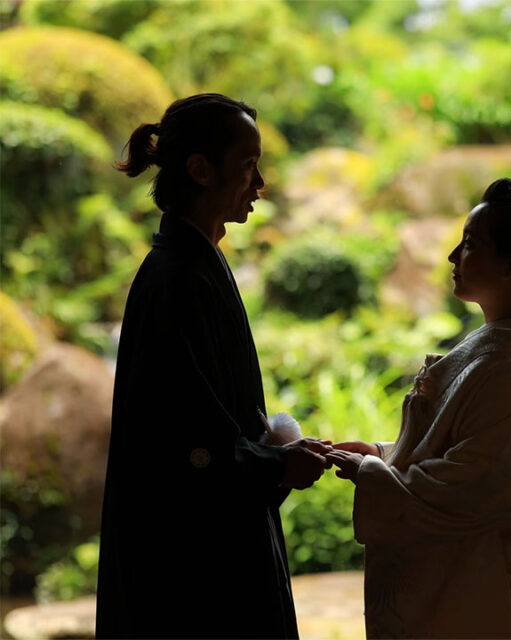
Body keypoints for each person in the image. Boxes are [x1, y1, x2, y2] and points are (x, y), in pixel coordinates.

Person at [326, 170, 511, 639]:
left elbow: (463, 491)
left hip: (472, 611)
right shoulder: (500, 363)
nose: (452, 256)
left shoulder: (510, 372)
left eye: (471, 244)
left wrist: (372, 474)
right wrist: (381, 454)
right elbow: (464, 455)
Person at [96, 94, 329, 639]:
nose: (260, 182)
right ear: (201, 169)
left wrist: (277, 455)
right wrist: (277, 465)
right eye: (248, 165)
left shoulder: (193, 262)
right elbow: (183, 440)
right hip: (194, 569)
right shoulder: (175, 277)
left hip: (212, 545)